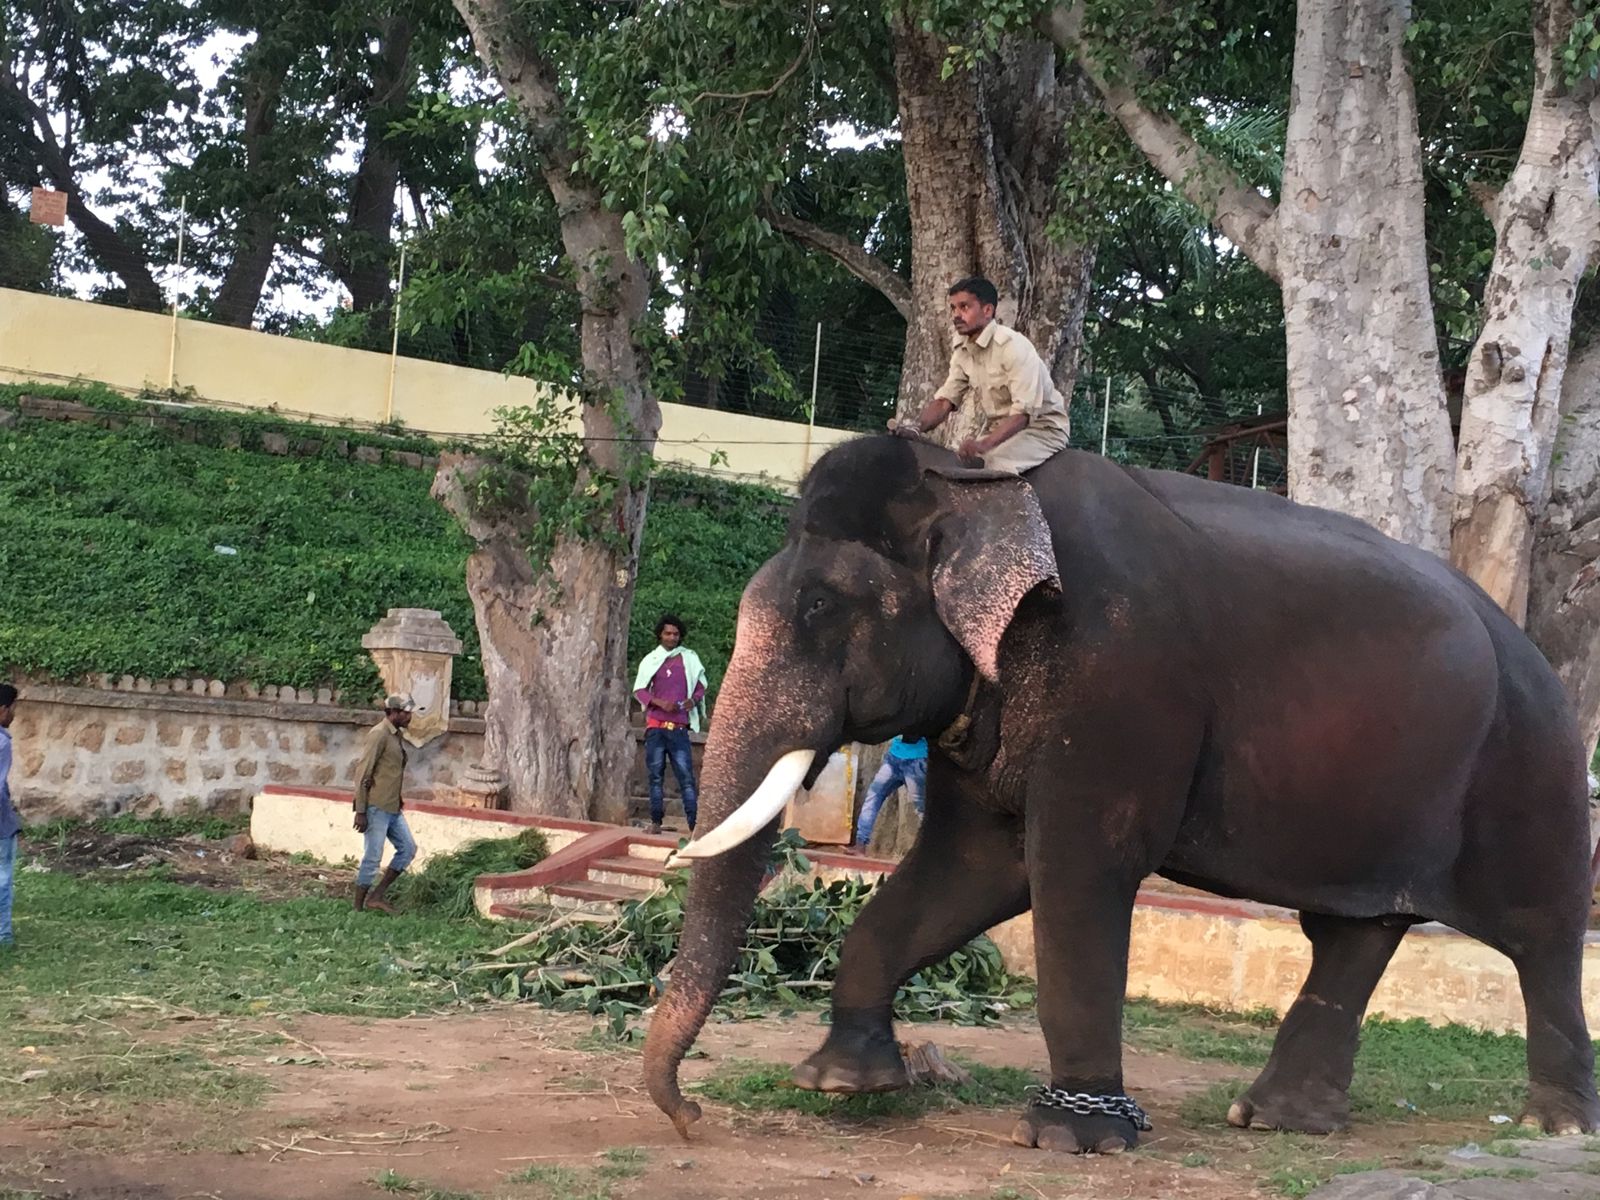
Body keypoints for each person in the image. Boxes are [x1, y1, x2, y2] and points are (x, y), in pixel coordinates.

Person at [891, 275, 1071, 474]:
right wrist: (915, 428)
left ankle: (1019, 507)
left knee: (996, 464)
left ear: (987, 310)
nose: (956, 315)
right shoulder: (962, 350)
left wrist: (984, 445)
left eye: (964, 307)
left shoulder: (1014, 347)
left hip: (1042, 428)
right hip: (999, 429)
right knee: (959, 468)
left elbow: (1023, 415)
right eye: (953, 308)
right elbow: (945, 401)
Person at [632, 614, 707, 834]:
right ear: (660, 635)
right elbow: (640, 690)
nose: (671, 637)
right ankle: (656, 822)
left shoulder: (689, 659)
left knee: (686, 778)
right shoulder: (651, 660)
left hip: (679, 728)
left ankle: (694, 826)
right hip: (656, 727)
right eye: (667, 633)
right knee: (655, 776)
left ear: (680, 636)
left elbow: (701, 687)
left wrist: (691, 701)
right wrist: (659, 702)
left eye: (675, 634)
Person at [351, 692, 419, 914]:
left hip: (391, 806)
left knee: (408, 849)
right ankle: (358, 908)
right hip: (375, 806)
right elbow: (363, 772)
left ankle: (377, 895)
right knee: (373, 856)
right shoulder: (379, 735)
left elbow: (389, 772)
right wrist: (360, 810)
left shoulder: (395, 735)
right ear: (394, 713)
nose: (409, 718)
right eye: (406, 713)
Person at [850, 734, 928, 855]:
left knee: (923, 810)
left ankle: (933, 849)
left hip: (917, 761)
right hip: (894, 757)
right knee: (873, 796)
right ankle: (860, 844)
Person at [0, 683, 18, 950]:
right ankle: (2, 934)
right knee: (2, 877)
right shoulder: (2, 742)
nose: (14, 713)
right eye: (14, 707)